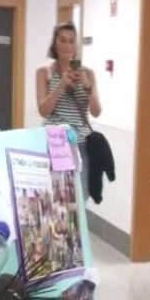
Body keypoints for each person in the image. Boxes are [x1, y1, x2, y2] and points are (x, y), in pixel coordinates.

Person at [36, 21, 103, 201]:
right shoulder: (44, 73)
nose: (67, 46)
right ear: (55, 44)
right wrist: (60, 85)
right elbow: (43, 110)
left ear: (76, 45)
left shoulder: (88, 74)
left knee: (80, 197)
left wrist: (88, 88)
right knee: (55, 197)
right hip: (55, 142)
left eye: (71, 41)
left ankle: (79, 230)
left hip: (81, 142)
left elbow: (96, 112)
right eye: (62, 40)